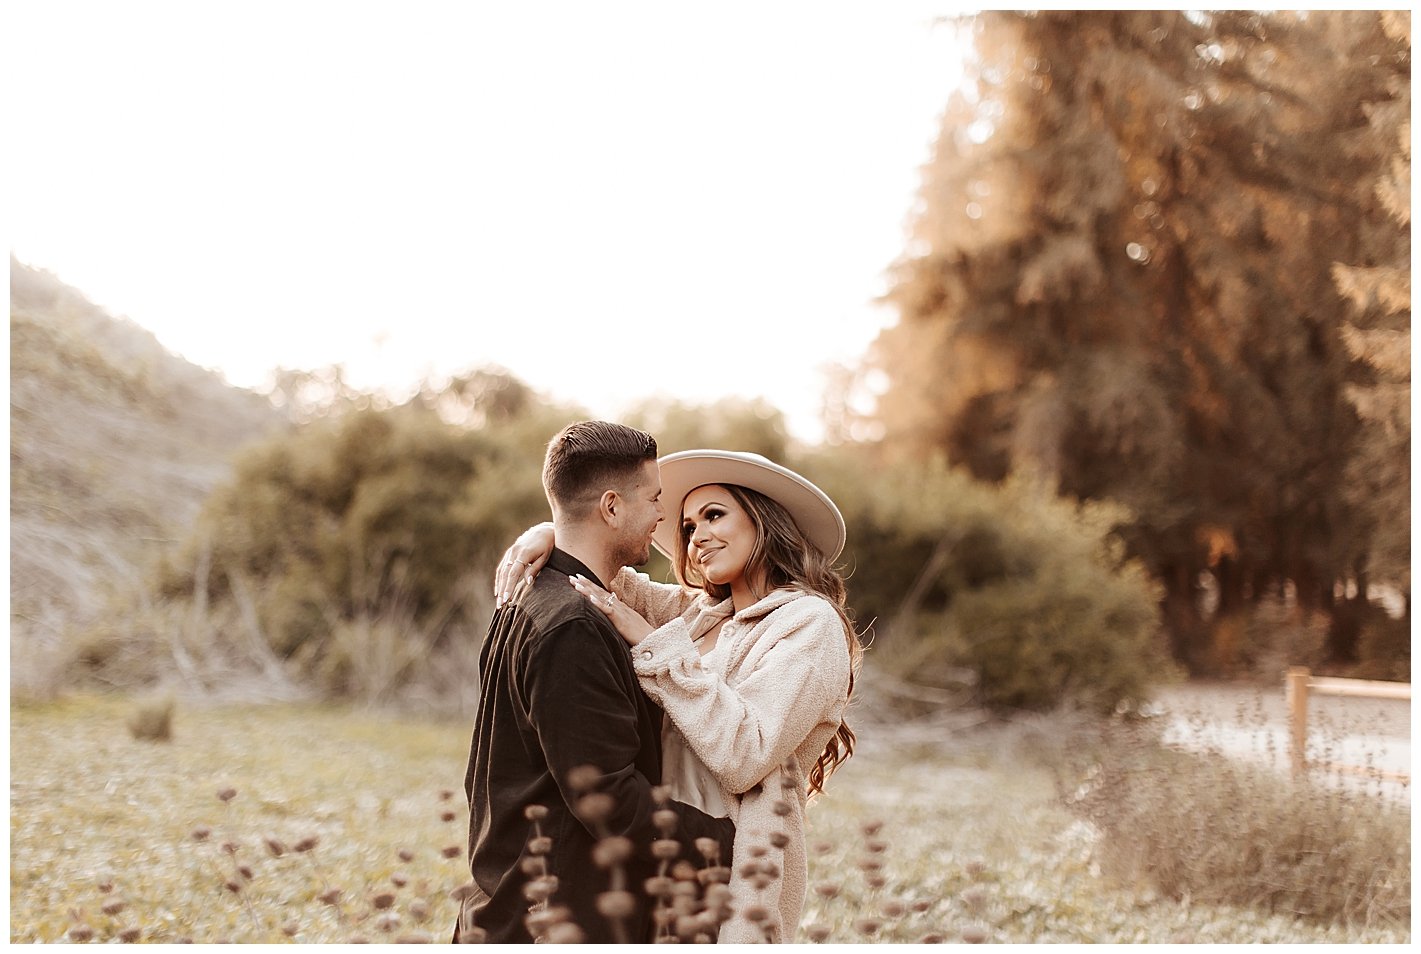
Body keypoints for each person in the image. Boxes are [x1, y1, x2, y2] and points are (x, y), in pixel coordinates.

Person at [495, 449, 863, 943]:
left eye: (714, 516)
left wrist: (655, 646)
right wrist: (547, 532)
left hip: (734, 869)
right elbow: (605, 567)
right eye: (688, 528)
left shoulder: (808, 625)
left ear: (764, 520)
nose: (697, 538)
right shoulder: (697, 616)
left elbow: (746, 753)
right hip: (657, 856)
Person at [456, 422, 737, 944]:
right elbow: (607, 799)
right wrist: (726, 840)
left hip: (514, 906)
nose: (661, 517)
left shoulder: (532, 595)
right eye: (654, 499)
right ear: (611, 507)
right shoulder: (575, 628)